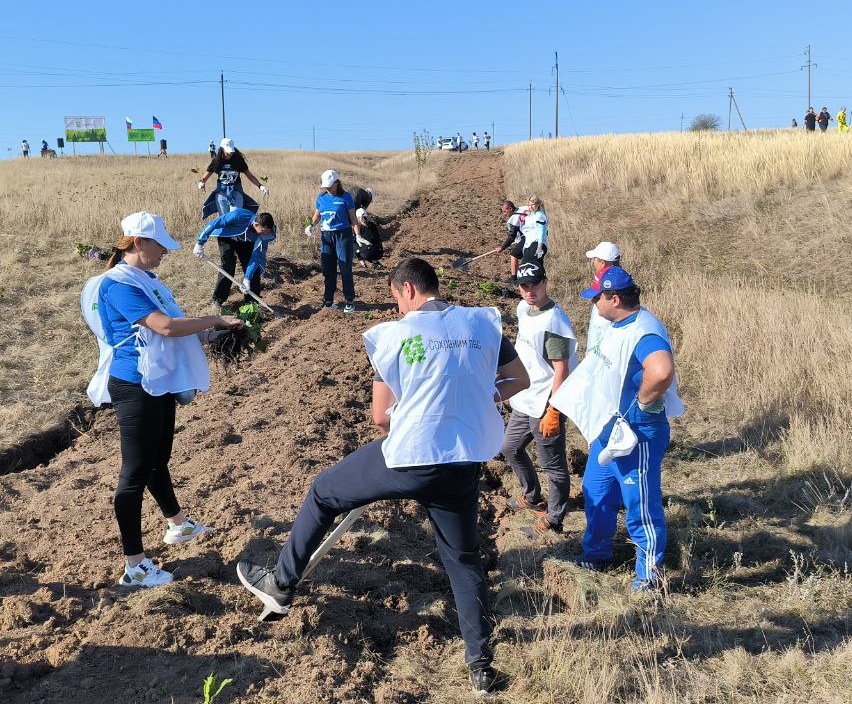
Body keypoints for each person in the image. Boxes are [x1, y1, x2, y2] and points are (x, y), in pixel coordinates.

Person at [236, 258, 530, 696]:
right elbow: (518, 378)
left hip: (409, 459)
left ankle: (280, 584)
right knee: (463, 561)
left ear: (407, 289)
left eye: (395, 298)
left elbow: (380, 418)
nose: (396, 308)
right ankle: (480, 667)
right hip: (464, 459)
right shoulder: (481, 323)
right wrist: (484, 393)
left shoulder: (394, 337)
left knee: (323, 493)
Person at [81, 212, 243, 588]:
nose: (165, 253)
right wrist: (214, 320)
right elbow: (165, 327)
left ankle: (177, 525)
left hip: (159, 381)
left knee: (158, 461)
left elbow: (175, 325)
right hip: (135, 384)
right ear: (139, 242)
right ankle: (135, 565)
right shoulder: (118, 284)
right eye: (160, 246)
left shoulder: (149, 280)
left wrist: (211, 336)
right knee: (135, 472)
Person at [549, 267, 684, 591]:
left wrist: (642, 402)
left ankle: (649, 579)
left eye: (597, 297)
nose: (593, 302)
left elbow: (662, 370)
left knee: (640, 504)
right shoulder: (618, 323)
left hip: (636, 431)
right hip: (610, 426)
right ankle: (596, 554)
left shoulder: (645, 331)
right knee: (596, 490)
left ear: (614, 298)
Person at [502, 262, 578, 536]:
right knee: (510, 447)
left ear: (545, 282)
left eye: (535, 284)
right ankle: (533, 497)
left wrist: (554, 411)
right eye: (524, 286)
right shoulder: (523, 309)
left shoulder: (553, 321)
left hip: (547, 401)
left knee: (552, 465)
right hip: (526, 396)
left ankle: (554, 519)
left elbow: (562, 369)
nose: (530, 291)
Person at [305, 169, 369, 313]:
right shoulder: (321, 197)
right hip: (326, 236)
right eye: (325, 186)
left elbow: (353, 219)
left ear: (337, 183)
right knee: (328, 270)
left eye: (330, 185)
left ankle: (349, 300)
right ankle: (328, 300)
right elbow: (317, 215)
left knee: (345, 267)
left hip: (343, 235)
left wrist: (357, 235)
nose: (327, 188)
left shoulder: (346, 197)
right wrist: (311, 226)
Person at [194, 208, 277, 306]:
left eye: (267, 231)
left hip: (246, 241)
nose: (265, 233)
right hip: (227, 237)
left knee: (253, 271)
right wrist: (200, 242)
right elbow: (215, 223)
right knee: (228, 267)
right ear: (256, 225)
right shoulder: (238, 216)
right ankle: (218, 300)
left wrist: (247, 278)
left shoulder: (263, 235)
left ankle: (252, 303)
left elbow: (255, 258)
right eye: (264, 231)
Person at [197, 138, 270, 216]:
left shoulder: (239, 161)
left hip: (236, 192)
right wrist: (201, 183)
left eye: (231, 151)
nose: (230, 153)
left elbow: (250, 176)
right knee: (224, 219)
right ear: (222, 149)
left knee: (234, 216)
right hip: (221, 193)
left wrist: (260, 186)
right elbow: (204, 177)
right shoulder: (216, 162)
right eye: (227, 151)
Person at [584, 241, 622, 355]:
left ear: (602, 263)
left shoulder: (605, 283)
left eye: (595, 259)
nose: (593, 262)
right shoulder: (622, 279)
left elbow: (600, 328)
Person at [495, 199, 529, 279]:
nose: (504, 214)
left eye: (505, 211)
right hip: (539, 233)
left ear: (510, 209)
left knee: (514, 255)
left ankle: (513, 279)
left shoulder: (513, 219)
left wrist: (502, 247)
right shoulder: (524, 208)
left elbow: (511, 237)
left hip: (528, 236)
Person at [519, 196, 549, 268]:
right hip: (529, 244)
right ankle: (543, 279)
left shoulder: (540, 216)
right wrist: (525, 247)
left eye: (532, 204)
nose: (530, 207)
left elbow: (541, 232)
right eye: (529, 205)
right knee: (531, 266)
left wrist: (539, 247)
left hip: (536, 243)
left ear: (538, 204)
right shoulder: (530, 215)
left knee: (532, 266)